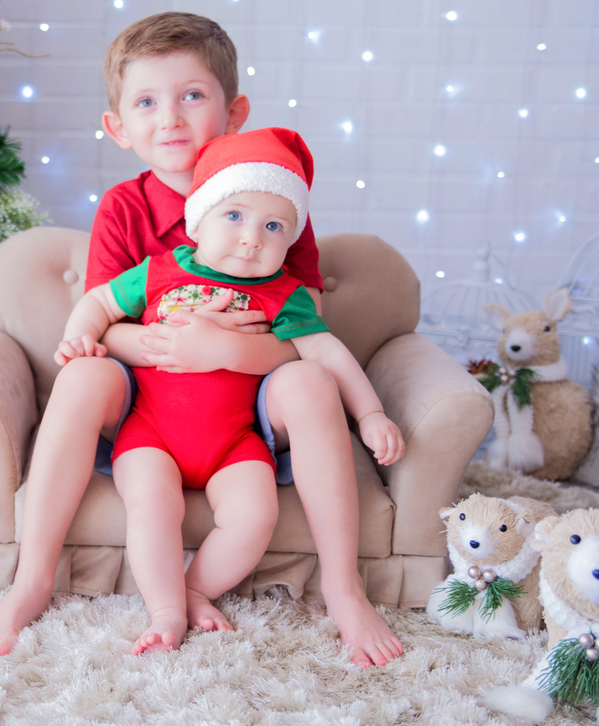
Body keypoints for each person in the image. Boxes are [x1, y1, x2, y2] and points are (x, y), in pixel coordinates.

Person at [0, 12, 405, 667]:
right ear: (118, 126)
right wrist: (169, 345)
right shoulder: (125, 208)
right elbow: (104, 320)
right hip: (147, 398)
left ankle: (344, 588)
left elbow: (306, 329)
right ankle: (32, 580)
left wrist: (231, 350)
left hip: (246, 401)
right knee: (84, 375)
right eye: (147, 102)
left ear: (234, 112)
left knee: (311, 381)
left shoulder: (272, 200)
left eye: (192, 96)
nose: (170, 118)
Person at [54, 127, 405, 654]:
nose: (251, 237)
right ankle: (166, 613)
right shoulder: (161, 272)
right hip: (151, 432)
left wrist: (371, 413)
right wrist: (75, 336)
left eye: (273, 226)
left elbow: (328, 353)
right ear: (200, 219)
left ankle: (195, 590)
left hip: (236, 440)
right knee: (151, 504)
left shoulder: (284, 295)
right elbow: (102, 302)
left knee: (253, 516)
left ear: (291, 239)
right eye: (234, 216)